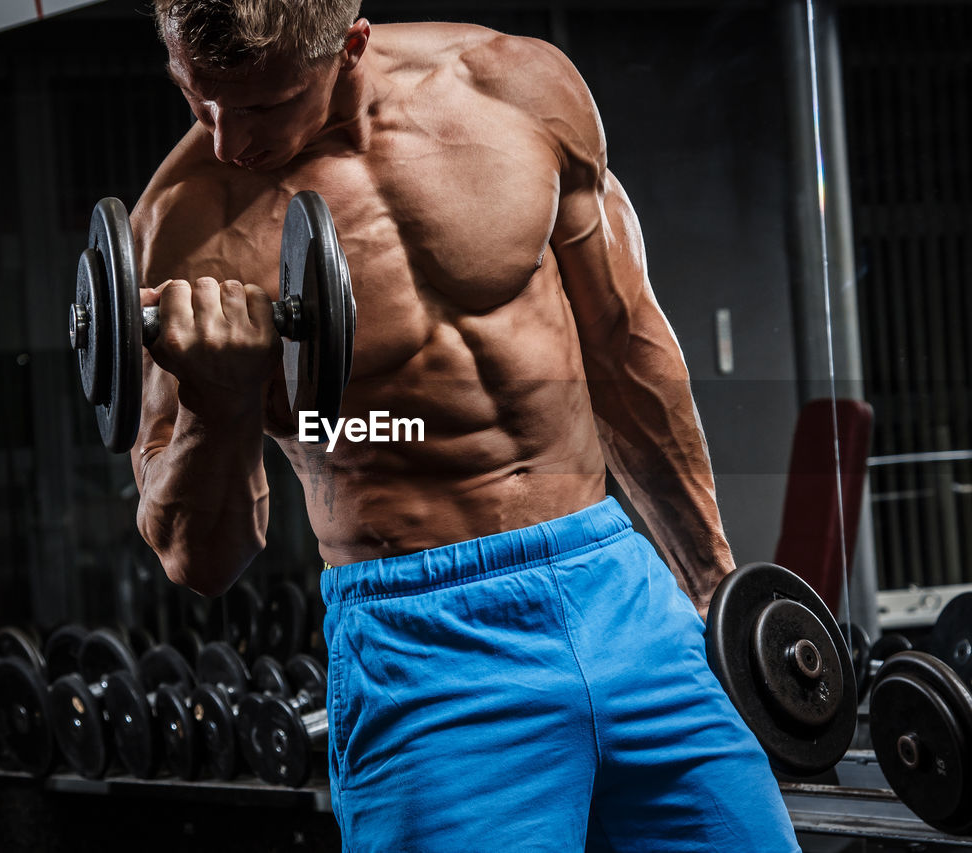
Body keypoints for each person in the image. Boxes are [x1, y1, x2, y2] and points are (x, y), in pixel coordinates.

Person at [130, 1, 799, 850]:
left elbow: (625, 351)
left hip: (621, 591)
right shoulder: (181, 232)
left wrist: (713, 592)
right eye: (198, 101)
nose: (228, 141)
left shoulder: (518, 89)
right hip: (422, 640)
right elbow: (199, 560)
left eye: (262, 106)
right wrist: (215, 405)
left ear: (350, 49)